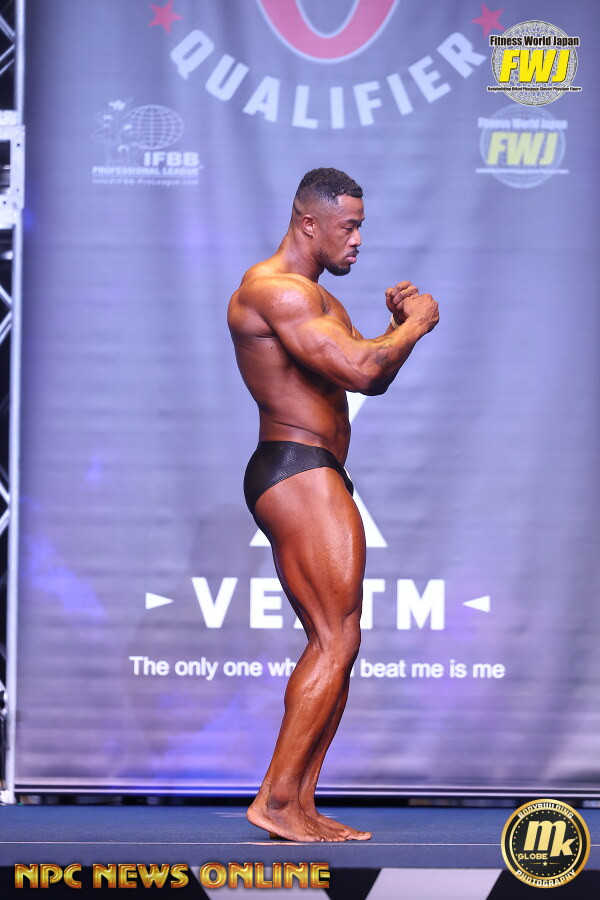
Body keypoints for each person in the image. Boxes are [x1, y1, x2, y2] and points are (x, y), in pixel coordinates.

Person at [227, 168, 439, 842]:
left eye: (361, 227)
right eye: (349, 227)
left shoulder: (316, 298)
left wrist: (396, 328)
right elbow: (362, 371)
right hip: (298, 468)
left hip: (313, 469)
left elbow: (367, 372)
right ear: (308, 222)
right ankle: (275, 801)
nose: (358, 240)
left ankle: (299, 803)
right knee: (336, 638)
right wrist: (419, 325)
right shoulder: (278, 291)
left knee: (336, 640)